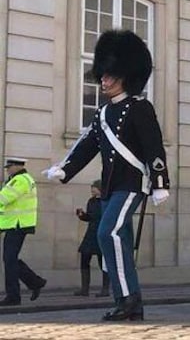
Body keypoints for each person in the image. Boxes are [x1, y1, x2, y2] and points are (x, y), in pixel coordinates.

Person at [44, 30, 170, 321]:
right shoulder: (102, 113)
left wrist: (160, 183)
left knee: (107, 232)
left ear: (125, 75)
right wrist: (65, 169)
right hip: (112, 187)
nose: (104, 79)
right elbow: (87, 147)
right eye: (103, 74)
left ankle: (127, 299)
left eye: (110, 74)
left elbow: (153, 146)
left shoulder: (140, 108)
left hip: (132, 183)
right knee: (119, 239)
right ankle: (130, 301)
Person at [0, 157, 46, 306]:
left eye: (9, 167)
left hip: (17, 224)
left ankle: (14, 296)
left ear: (16, 166)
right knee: (10, 259)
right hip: (15, 224)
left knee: (9, 259)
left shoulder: (20, 180)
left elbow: (4, 199)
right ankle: (34, 282)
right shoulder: (21, 179)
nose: (7, 169)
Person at [74, 180, 110, 297]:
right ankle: (85, 289)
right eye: (92, 188)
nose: (92, 190)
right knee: (84, 258)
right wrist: (82, 215)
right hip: (91, 232)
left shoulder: (107, 201)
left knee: (103, 262)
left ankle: (105, 289)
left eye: (94, 188)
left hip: (101, 232)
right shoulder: (91, 201)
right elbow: (90, 217)